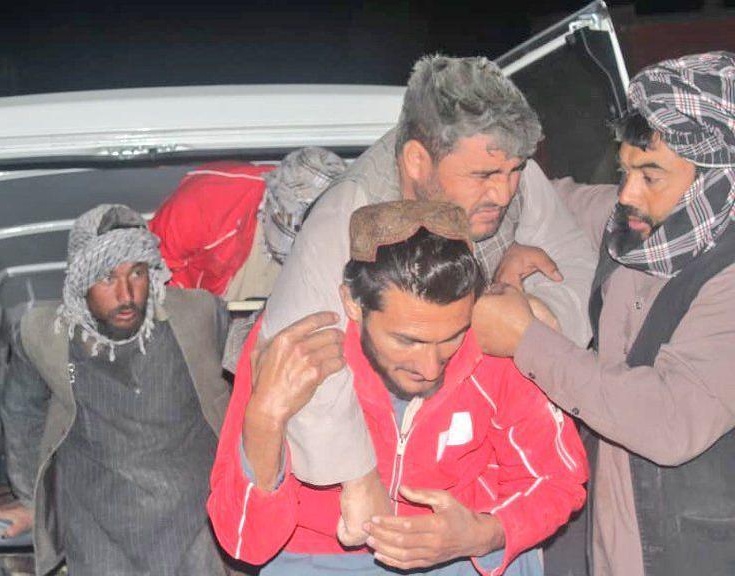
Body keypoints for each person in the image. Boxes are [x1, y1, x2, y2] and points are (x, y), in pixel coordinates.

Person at [258, 54, 596, 546]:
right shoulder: (345, 215)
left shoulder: (507, 169)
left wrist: (533, 316)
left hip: (485, 478)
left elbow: (578, 267)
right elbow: (301, 355)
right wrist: (357, 477)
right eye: (483, 176)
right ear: (417, 160)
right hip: (346, 503)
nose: (504, 193)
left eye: (515, 171)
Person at [208, 200, 588, 575]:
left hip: (464, 555)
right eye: (407, 341)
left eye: (451, 338)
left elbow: (558, 479)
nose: (430, 367)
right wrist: (265, 420)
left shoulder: (493, 341)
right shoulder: (294, 354)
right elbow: (246, 543)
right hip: (321, 560)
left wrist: (484, 534)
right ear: (353, 305)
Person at [473, 52, 735, 576]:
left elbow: (669, 420)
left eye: (651, 176)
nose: (628, 194)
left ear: (717, 178)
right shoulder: (634, 226)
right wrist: (521, 235)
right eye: (625, 170)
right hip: (609, 544)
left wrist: (528, 339)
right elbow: (544, 200)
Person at [0, 203, 233, 576]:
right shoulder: (44, 335)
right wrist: (30, 500)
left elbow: (247, 391)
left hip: (195, 522)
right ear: (80, 283)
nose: (126, 295)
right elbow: (22, 415)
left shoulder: (199, 314)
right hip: (99, 529)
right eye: (107, 278)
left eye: (137, 274)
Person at [149, 147, 346, 302]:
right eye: (291, 225)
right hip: (199, 307)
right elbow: (150, 271)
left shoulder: (344, 227)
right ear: (272, 198)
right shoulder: (205, 200)